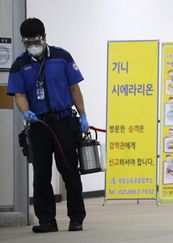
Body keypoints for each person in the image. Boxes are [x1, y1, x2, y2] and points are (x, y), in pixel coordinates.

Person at [7, 18, 89, 233]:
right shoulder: (19, 64)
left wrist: (83, 116)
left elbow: (74, 89)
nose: (32, 45)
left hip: (63, 122)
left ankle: (76, 219)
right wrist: (27, 112)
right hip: (39, 125)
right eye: (27, 42)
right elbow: (19, 94)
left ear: (44, 37)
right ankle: (47, 221)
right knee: (41, 175)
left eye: (35, 40)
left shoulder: (62, 57)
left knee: (70, 171)